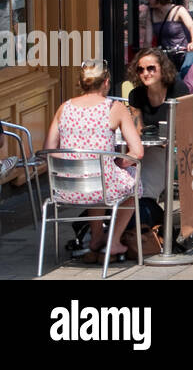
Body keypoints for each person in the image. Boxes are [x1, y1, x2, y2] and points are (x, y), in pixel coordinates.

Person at [45, 60, 143, 263]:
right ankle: (114, 241)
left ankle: (97, 237)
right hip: (101, 184)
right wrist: (121, 164)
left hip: (66, 188)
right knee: (133, 183)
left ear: (81, 83)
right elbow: (138, 152)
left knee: (96, 177)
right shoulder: (114, 107)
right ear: (106, 82)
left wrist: (73, 165)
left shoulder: (64, 108)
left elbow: (49, 150)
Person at [127, 49, 188, 223]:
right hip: (146, 150)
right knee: (127, 181)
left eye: (151, 68)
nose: (146, 73)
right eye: (141, 69)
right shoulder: (136, 95)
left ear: (163, 68)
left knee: (143, 186)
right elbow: (137, 130)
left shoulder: (178, 89)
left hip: (173, 150)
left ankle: (144, 218)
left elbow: (184, 128)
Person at [143, 0, 193, 76]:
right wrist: (146, 54)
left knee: (187, 72)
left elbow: (192, 28)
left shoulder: (179, 10)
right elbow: (148, 39)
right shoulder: (150, 13)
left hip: (186, 52)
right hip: (168, 55)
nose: (147, 0)